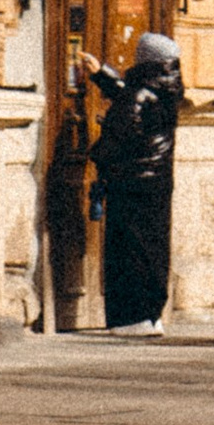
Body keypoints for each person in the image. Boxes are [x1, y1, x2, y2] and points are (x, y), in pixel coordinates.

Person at [87, 30, 183, 332]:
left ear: (144, 59)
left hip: (130, 183)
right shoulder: (168, 88)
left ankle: (131, 317)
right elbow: (134, 96)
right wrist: (103, 76)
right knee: (153, 249)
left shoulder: (140, 93)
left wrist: (95, 154)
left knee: (128, 250)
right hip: (157, 182)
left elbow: (120, 131)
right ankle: (151, 316)